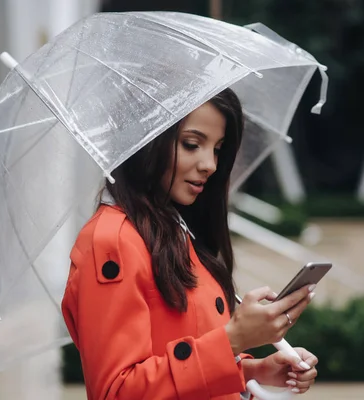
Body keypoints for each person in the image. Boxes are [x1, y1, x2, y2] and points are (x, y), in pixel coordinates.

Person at [61, 88, 319, 400]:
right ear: (147, 141)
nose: (209, 164)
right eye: (192, 144)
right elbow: (118, 391)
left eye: (217, 148)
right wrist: (233, 339)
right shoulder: (111, 241)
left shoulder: (173, 228)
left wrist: (255, 371)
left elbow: (182, 352)